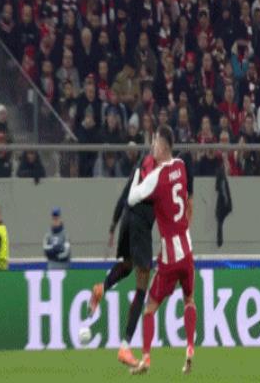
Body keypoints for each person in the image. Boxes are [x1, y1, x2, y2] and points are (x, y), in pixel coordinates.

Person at [88, 143, 194, 368]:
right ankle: (125, 347)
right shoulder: (162, 173)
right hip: (141, 225)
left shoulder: (142, 164)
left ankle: (102, 287)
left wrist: (113, 226)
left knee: (127, 265)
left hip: (127, 219)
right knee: (142, 288)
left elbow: (125, 195)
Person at [128, 125, 195, 375]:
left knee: (150, 308)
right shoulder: (181, 166)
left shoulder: (156, 177)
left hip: (170, 256)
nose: (152, 146)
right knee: (189, 300)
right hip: (187, 249)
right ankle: (190, 348)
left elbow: (132, 198)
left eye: (155, 142)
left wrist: (138, 173)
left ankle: (146, 358)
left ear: (164, 146)